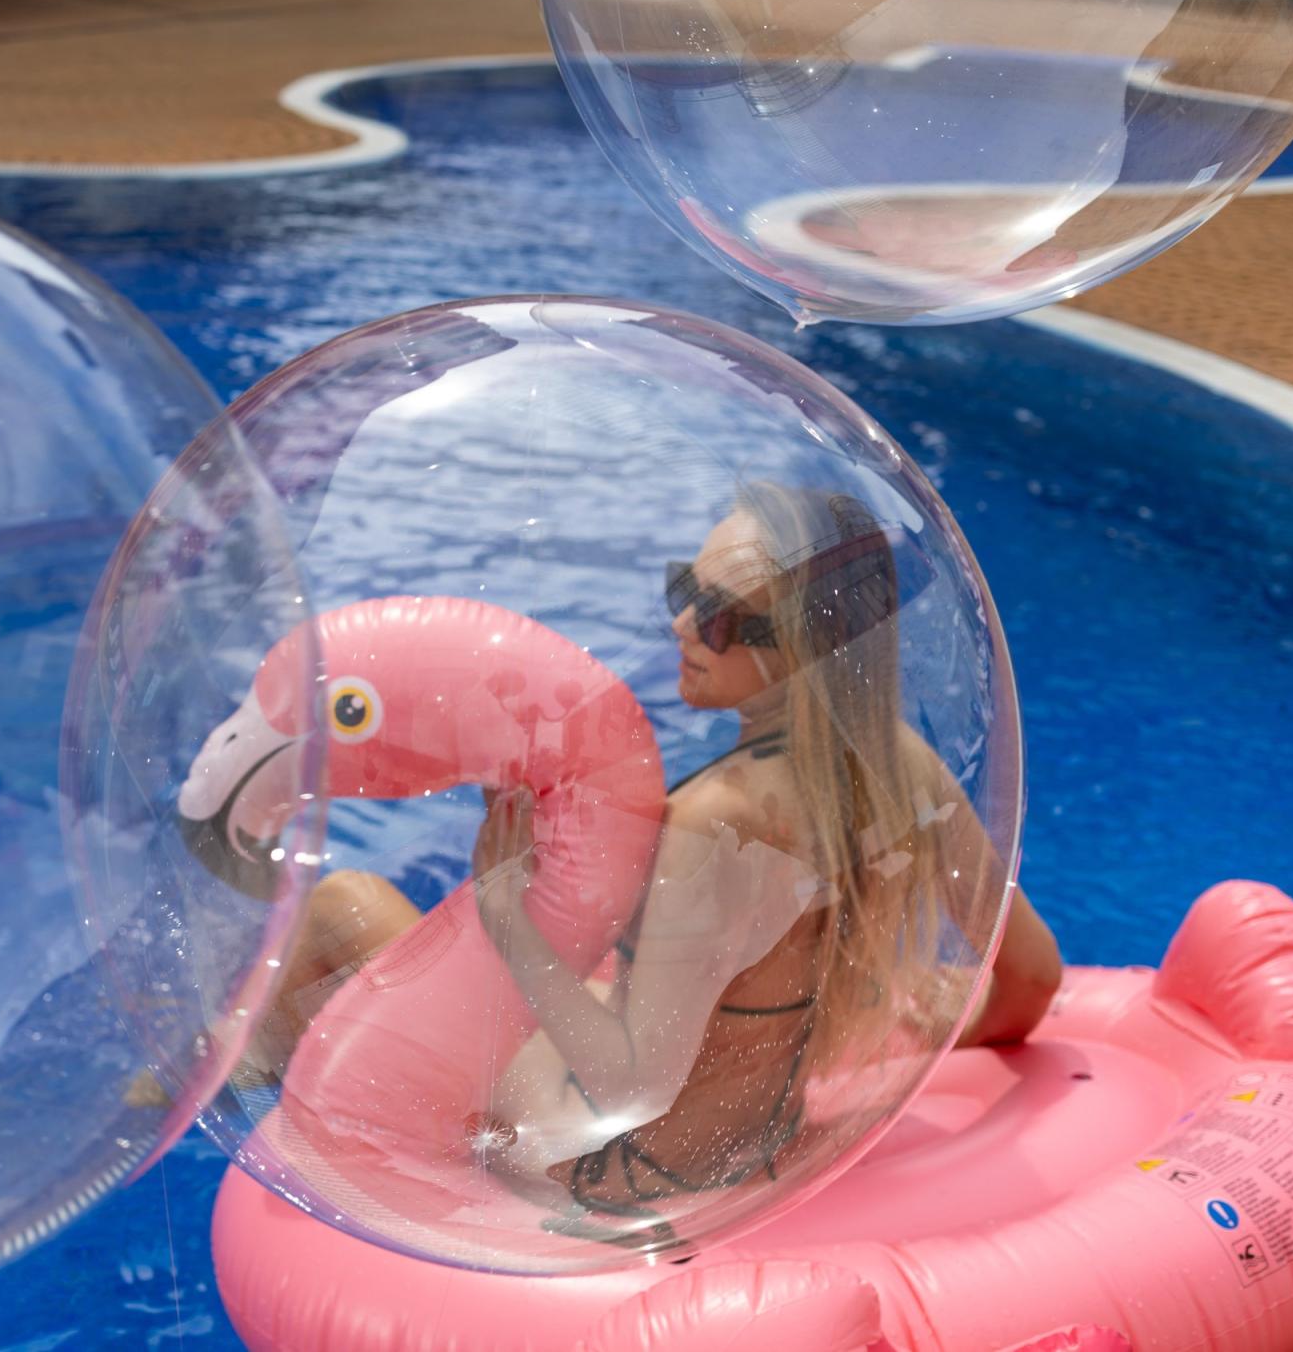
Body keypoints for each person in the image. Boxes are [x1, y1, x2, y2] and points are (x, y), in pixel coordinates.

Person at [250, 480, 1062, 1231]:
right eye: (686, 591)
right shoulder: (904, 769)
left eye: (721, 617)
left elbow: (631, 1085)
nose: (682, 627)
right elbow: (1032, 978)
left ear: (805, 649)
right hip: (764, 1143)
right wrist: (933, 1028)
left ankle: (247, 1083)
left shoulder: (714, 822)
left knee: (344, 907)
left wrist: (505, 912)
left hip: (624, 1173)